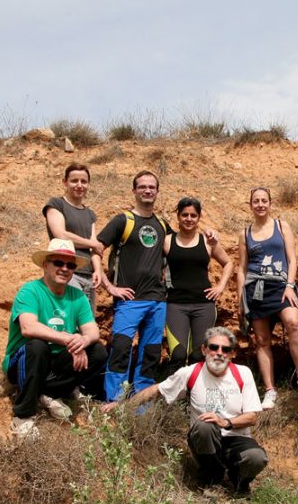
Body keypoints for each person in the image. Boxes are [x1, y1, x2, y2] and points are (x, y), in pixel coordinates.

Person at [128, 326, 267, 497]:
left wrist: (225, 422)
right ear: (204, 349)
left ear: (232, 354)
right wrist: (125, 407)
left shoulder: (242, 373)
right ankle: (211, 479)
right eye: (213, 347)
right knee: (204, 426)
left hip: (236, 438)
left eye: (226, 349)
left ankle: (240, 482)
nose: (219, 352)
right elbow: (158, 389)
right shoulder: (191, 372)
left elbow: (252, 417)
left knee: (257, 458)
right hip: (205, 438)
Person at [3, 239, 107, 438]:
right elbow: (28, 327)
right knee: (37, 346)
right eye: (58, 263)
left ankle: (48, 393)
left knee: (98, 352)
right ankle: (23, 416)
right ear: (45, 265)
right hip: (24, 361)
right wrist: (69, 340)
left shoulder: (77, 296)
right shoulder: (30, 290)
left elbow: (93, 331)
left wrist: (82, 342)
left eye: (70, 265)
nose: (64, 269)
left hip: (56, 363)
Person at [92, 170, 170, 407]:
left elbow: (182, 247)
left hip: (158, 300)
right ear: (134, 190)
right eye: (142, 187)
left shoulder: (162, 225)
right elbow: (97, 248)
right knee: (121, 349)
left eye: (152, 187)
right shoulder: (123, 221)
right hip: (129, 300)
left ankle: (140, 403)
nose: (147, 190)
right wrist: (108, 285)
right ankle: (114, 401)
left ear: (157, 191)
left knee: (151, 352)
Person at [237, 187, 298, 409]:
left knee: (293, 323)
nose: (260, 204)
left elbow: (292, 258)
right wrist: (241, 299)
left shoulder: (281, 226)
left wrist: (290, 285)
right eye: (255, 201)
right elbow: (242, 268)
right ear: (250, 205)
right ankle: (270, 390)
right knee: (261, 340)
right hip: (256, 290)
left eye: (264, 200)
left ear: (270, 203)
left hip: (281, 286)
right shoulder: (245, 233)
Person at [164, 196, 233, 373]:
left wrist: (220, 287)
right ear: (178, 216)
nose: (189, 219)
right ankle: (174, 398)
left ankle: (194, 396)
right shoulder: (167, 241)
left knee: (198, 354)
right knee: (178, 354)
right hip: (175, 304)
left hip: (204, 305)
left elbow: (228, 263)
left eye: (193, 215)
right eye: (185, 214)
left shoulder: (207, 241)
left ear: (199, 217)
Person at [43, 163, 101, 309]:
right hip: (66, 272)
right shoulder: (56, 204)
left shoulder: (90, 214)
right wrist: (92, 244)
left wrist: (98, 271)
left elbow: (95, 248)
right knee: (69, 318)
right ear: (65, 182)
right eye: (74, 181)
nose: (79, 185)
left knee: (87, 322)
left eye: (84, 181)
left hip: (88, 274)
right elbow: (61, 234)